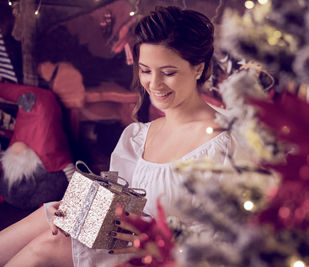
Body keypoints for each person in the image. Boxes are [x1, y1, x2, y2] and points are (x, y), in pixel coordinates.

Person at [0, 6, 238, 267]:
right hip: (123, 241)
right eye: (146, 70)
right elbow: (120, 200)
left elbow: (238, 237)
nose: (154, 85)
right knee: (51, 213)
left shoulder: (225, 143)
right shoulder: (138, 136)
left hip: (168, 255)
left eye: (168, 73)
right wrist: (81, 207)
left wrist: (157, 238)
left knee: (47, 246)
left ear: (198, 68)